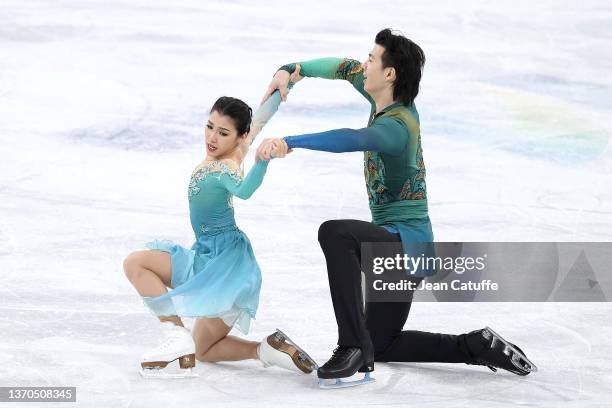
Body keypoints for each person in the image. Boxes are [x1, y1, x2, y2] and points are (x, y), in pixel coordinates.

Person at [257, 28, 537, 386]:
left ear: (389, 74)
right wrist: (291, 70)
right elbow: (341, 67)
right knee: (383, 344)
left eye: (371, 59)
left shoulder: (397, 127)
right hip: (400, 248)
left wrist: (288, 141)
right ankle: (476, 346)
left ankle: (351, 346)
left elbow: (355, 138)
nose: (364, 64)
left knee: (336, 233)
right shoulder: (384, 96)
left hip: (406, 245)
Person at [123, 87, 316, 377]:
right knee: (203, 350)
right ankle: (266, 349)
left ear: (239, 137)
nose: (212, 138)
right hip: (218, 256)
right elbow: (261, 118)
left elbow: (244, 190)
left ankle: (174, 335)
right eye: (210, 127)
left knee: (136, 263)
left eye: (223, 133)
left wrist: (263, 162)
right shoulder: (240, 145)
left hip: (223, 264)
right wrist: (284, 80)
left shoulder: (225, 167)